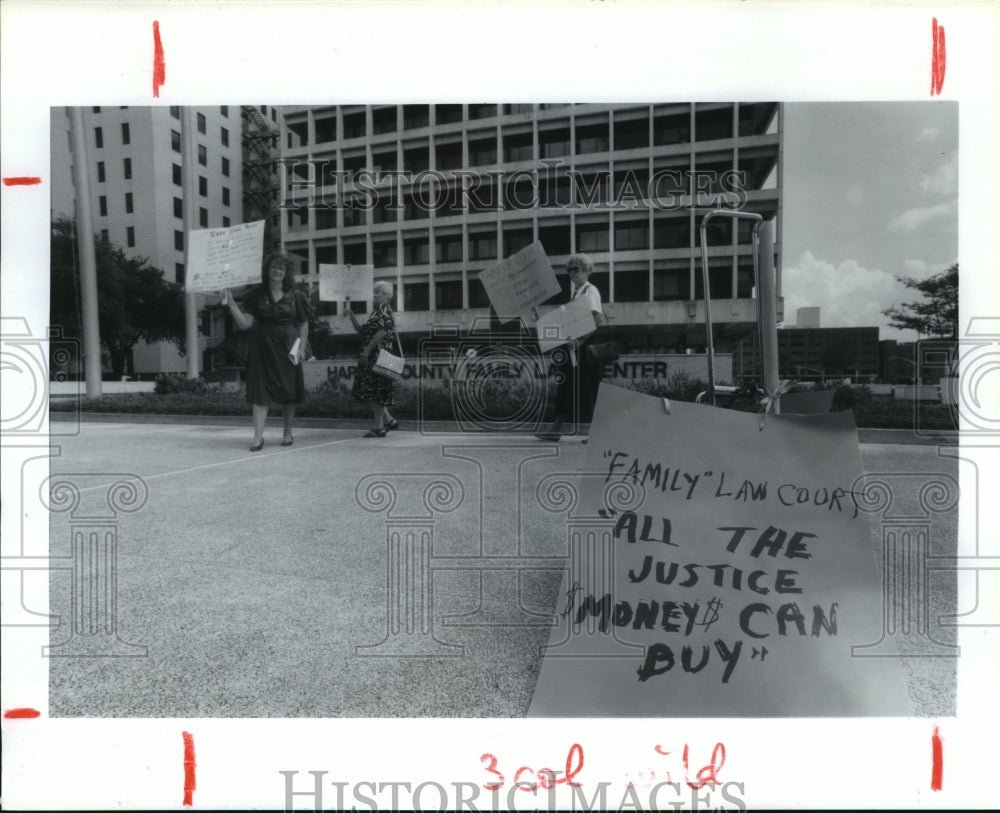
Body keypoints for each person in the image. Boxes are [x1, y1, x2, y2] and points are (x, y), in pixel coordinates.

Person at [225, 253, 312, 451]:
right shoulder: (256, 295)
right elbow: (246, 324)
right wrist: (231, 304)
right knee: (260, 391)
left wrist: (301, 348)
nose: (277, 271)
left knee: (289, 391)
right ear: (267, 270)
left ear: (286, 272)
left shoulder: (296, 295)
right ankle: (258, 437)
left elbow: (304, 324)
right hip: (263, 346)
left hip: (289, 346)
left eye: (281, 268)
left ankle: (288, 432)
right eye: (274, 267)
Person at [536, 253, 606, 441]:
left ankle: (595, 434)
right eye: (569, 270)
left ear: (587, 270)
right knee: (567, 386)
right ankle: (556, 429)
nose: (571, 273)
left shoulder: (590, 291)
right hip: (573, 347)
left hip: (583, 347)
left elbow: (598, 319)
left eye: (576, 269)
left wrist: (580, 341)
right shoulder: (577, 294)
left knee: (588, 389)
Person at [347, 280, 400, 438]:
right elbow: (363, 331)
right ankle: (388, 421)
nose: (377, 295)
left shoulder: (384, 310)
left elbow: (382, 332)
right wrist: (352, 317)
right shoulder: (376, 312)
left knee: (374, 392)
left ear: (388, 297)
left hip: (377, 355)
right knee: (373, 391)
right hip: (374, 356)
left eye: (381, 293)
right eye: (375, 292)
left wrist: (367, 351)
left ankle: (379, 427)